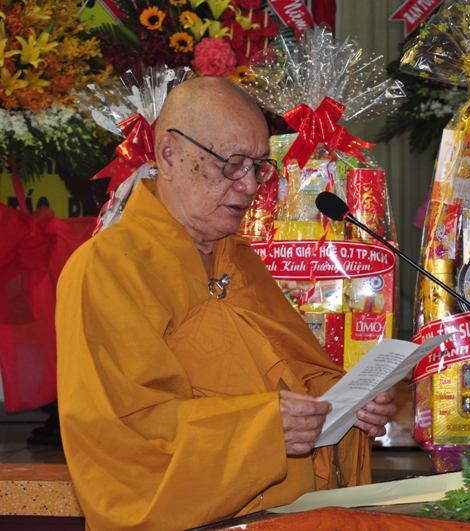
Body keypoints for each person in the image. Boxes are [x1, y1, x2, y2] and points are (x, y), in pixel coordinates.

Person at [56, 77, 396, 531]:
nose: (250, 185)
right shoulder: (107, 267)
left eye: (259, 166)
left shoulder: (239, 260)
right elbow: (125, 433)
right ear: (169, 155)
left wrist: (352, 403)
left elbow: (296, 373)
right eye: (233, 164)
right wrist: (261, 430)